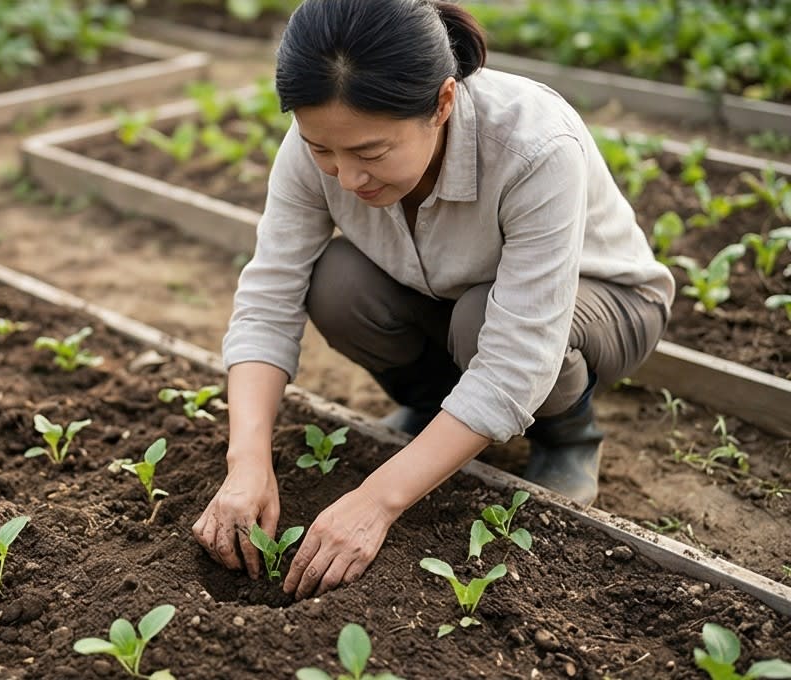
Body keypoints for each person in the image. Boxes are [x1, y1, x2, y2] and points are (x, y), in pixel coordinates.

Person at [192, 0, 675, 601]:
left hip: (603, 306)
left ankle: (567, 436)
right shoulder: (321, 137)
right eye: (324, 152)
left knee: (482, 322)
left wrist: (376, 501)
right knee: (336, 284)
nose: (346, 177)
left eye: (370, 153)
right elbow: (269, 296)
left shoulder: (534, 143)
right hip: (446, 295)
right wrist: (247, 463)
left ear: (442, 103)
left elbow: (515, 354)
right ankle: (432, 407)